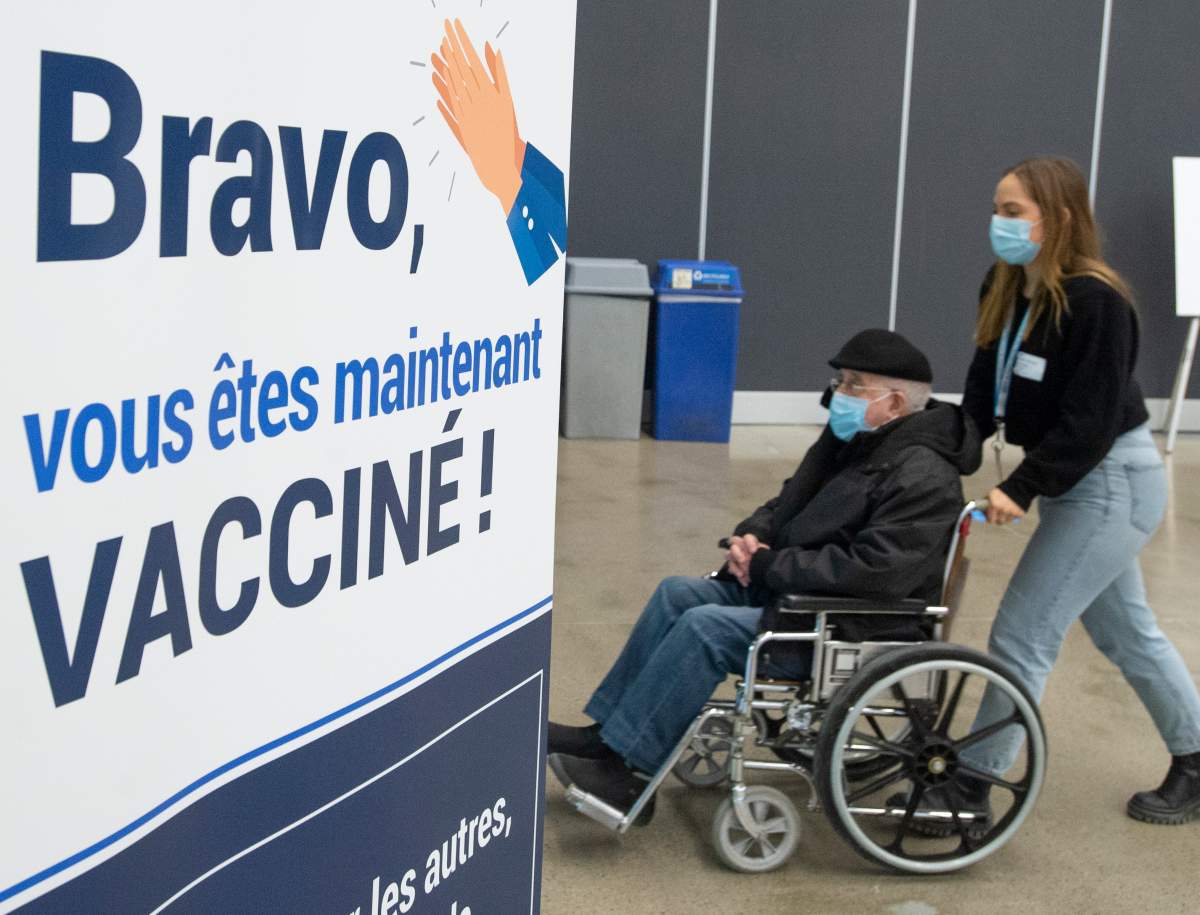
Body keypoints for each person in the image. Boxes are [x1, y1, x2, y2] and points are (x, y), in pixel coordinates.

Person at [548, 330, 981, 823]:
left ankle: (629, 770)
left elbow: (876, 572)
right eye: (839, 380)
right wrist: (750, 536)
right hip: (799, 594)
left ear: (896, 402)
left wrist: (769, 565)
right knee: (677, 594)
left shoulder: (923, 475)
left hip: (849, 621)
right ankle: (606, 736)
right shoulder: (856, 442)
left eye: (854, 385)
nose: (838, 394)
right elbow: (787, 502)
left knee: (705, 628)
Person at [957, 156, 1200, 826]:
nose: (998, 224)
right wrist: (944, 446)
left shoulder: (1099, 302)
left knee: (1022, 636)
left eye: (1013, 212)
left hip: (1112, 482)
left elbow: (1089, 424)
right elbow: (984, 388)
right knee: (1128, 633)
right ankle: (1199, 757)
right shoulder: (1006, 284)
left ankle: (973, 785)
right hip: (1076, 479)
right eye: (996, 209)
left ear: (1060, 219)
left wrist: (1022, 487)